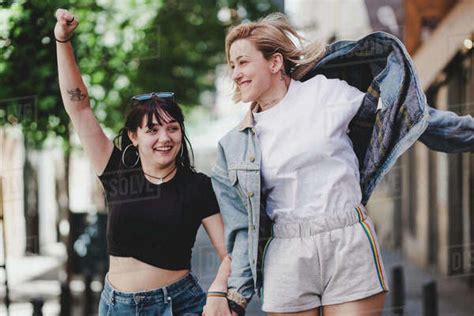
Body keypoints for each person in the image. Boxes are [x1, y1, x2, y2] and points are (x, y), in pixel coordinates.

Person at [211, 12, 474, 316]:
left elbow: (409, 118)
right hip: (287, 251)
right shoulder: (234, 146)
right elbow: (242, 229)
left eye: (242, 62)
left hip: (347, 239)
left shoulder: (326, 93)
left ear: (275, 62)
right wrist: (236, 295)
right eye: (232, 65)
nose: (235, 73)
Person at [55, 8, 232, 316]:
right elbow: (79, 108)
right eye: (152, 129)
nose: (165, 137)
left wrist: (218, 290)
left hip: (179, 305)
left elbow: (230, 252)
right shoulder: (115, 172)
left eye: (172, 128)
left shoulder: (197, 186)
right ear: (133, 136)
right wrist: (62, 41)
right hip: (116, 306)